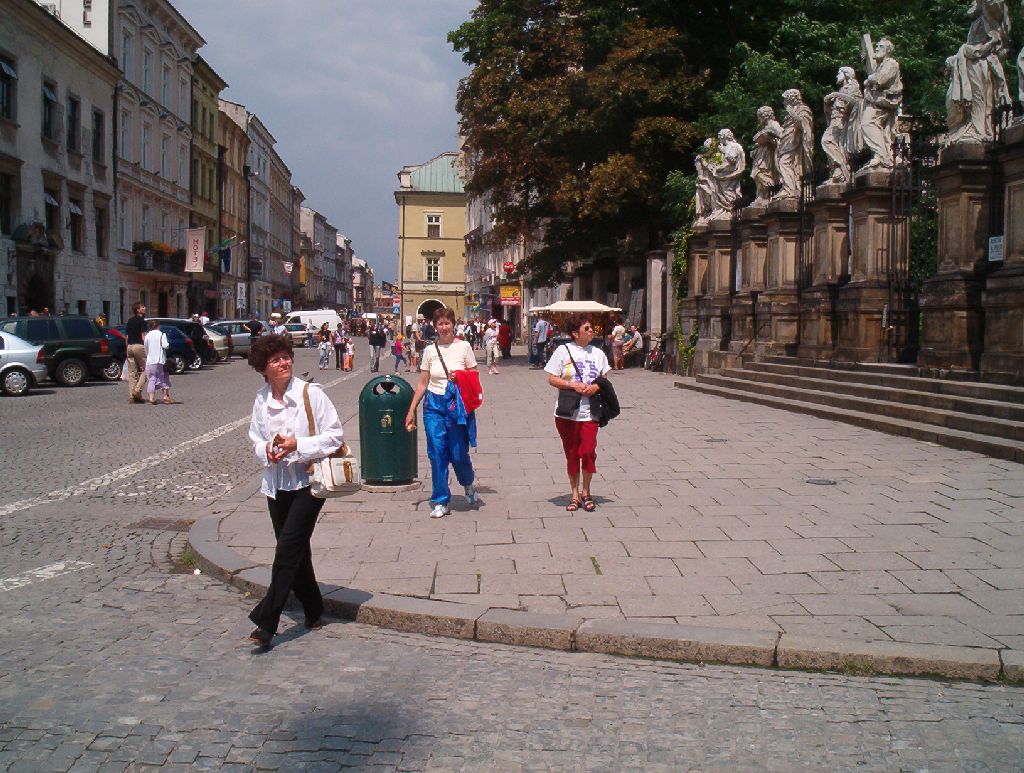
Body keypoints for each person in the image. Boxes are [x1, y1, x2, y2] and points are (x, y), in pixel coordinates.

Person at [245, 333, 344, 647]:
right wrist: (269, 450)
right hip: (275, 485)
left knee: (287, 550)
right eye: (275, 360)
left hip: (308, 483)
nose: (283, 363)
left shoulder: (310, 393)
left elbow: (334, 436)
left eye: (285, 356)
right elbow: (255, 439)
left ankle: (267, 620)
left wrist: (296, 445)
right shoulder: (261, 399)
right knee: (297, 552)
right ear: (264, 368)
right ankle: (314, 608)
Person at [404, 307, 479, 519]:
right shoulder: (429, 351)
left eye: (447, 323)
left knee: (457, 453)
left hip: (456, 405)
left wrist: (461, 376)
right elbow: (422, 382)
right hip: (433, 405)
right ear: (435, 326)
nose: (444, 327)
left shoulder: (464, 347)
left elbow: (474, 375)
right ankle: (440, 500)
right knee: (437, 452)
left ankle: (467, 483)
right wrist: (412, 410)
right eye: (440, 324)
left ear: (453, 324)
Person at [544, 316, 611, 513]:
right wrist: (572, 385)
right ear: (576, 333)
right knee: (572, 453)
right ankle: (574, 494)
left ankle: (586, 492)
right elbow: (552, 378)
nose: (592, 331)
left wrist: (595, 387)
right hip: (567, 412)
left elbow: (604, 379)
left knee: (588, 451)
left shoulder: (598, 353)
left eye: (592, 328)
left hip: (591, 411)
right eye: (587, 328)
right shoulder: (563, 351)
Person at [143, 320, 174, 404]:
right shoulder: (161, 334)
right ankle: (165, 396)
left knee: (152, 379)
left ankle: (151, 398)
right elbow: (165, 345)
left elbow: (145, 348)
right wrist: (168, 344)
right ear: (158, 326)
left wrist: (147, 355)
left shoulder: (147, 335)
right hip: (159, 360)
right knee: (163, 378)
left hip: (150, 360)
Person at [125, 301, 147, 403]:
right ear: (138, 310)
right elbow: (144, 336)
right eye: (142, 307)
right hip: (138, 346)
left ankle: (131, 397)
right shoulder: (142, 321)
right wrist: (147, 348)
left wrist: (127, 347)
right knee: (148, 370)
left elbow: (127, 336)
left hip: (129, 346)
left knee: (132, 372)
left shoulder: (129, 321)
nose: (144, 308)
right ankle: (137, 391)